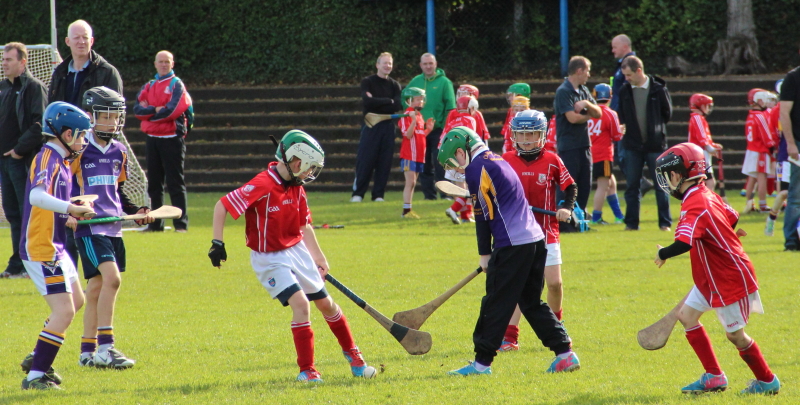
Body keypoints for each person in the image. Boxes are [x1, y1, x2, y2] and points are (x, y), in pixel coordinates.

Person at [209, 130, 374, 382]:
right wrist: (217, 242)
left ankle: (354, 357)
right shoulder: (262, 185)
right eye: (309, 168)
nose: (310, 174)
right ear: (296, 161)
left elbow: (303, 225)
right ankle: (307, 370)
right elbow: (222, 205)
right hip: (269, 257)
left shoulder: (297, 187)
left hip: (297, 251)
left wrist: (319, 258)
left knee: (327, 304)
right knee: (301, 304)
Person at [438, 126, 578, 376]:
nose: (459, 170)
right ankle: (565, 354)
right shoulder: (497, 159)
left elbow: (481, 217)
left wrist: (484, 254)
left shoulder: (476, 168)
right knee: (531, 302)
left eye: (455, 163)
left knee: (495, 303)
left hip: (513, 245)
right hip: (536, 240)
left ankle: (481, 364)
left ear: (461, 151)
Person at [653, 142, 780, 395]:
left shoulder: (695, 203)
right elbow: (732, 216)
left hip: (728, 278)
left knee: (736, 337)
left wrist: (662, 253)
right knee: (687, 317)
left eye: (669, 176)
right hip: (711, 276)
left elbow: (683, 242)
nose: (668, 181)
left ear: (679, 174)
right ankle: (714, 377)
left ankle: (767, 380)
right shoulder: (706, 194)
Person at [72, 87, 153, 369]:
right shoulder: (79, 151)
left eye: (116, 116)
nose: (113, 122)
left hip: (113, 228)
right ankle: (107, 348)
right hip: (91, 228)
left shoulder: (119, 151)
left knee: (95, 287)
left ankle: (87, 352)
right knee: (112, 280)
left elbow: (117, 193)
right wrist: (70, 213)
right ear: (92, 117)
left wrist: (137, 212)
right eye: (106, 116)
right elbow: (65, 190)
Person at [18, 102, 94, 390]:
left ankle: (39, 355)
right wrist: (69, 208)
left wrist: (73, 208)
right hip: (42, 248)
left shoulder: (61, 160)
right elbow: (37, 197)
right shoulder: (47, 157)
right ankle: (36, 375)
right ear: (65, 133)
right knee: (64, 311)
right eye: (81, 135)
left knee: (76, 301)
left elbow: (53, 203)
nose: (84, 141)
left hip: (56, 245)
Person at [499, 110, 577, 352]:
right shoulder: (505, 160)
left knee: (554, 283)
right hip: (517, 233)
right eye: (521, 135)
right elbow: (493, 187)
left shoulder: (553, 159)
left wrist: (566, 207)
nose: (526, 139)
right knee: (520, 285)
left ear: (542, 135)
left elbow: (570, 186)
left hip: (546, 231)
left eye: (531, 134)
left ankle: (556, 326)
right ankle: (510, 337)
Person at [48, 19, 123, 267]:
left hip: (90, 150)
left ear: (92, 40)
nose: (81, 41)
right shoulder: (60, 73)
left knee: (88, 211)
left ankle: (93, 270)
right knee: (64, 214)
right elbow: (52, 111)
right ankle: (67, 272)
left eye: (86, 37)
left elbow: (114, 113)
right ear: (67, 42)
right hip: (64, 150)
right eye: (76, 37)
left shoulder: (107, 72)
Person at [0, 42, 47, 279]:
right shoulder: (2, 88)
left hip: (22, 160)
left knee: (28, 212)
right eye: (3, 59)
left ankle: (31, 262)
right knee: (12, 213)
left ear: (23, 62)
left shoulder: (34, 88)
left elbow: (41, 124)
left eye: (9, 59)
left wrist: (19, 150)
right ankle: (17, 262)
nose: (4, 63)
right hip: (4, 163)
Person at [133, 50, 191, 232]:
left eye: (167, 61)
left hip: (172, 139)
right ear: (155, 63)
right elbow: (137, 110)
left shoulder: (176, 85)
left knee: (175, 182)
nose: (164, 64)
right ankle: (156, 224)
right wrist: (155, 110)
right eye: (161, 61)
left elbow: (172, 111)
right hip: (153, 140)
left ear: (172, 64)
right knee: (154, 184)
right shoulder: (149, 86)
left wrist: (149, 115)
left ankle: (180, 224)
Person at [616, 55, 673, 231]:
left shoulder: (658, 89)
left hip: (655, 145)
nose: (626, 79)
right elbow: (621, 115)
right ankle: (631, 224)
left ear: (639, 71)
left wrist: (655, 130)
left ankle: (665, 223)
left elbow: (667, 114)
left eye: (628, 75)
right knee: (632, 186)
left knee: (661, 186)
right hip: (632, 146)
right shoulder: (625, 90)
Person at [351, 52, 402, 203]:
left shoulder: (395, 85)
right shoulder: (368, 81)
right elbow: (367, 102)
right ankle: (358, 193)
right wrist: (389, 101)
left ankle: (378, 195)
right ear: (377, 65)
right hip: (371, 125)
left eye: (390, 64)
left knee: (384, 161)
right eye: (385, 63)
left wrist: (380, 101)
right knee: (365, 160)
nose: (387, 66)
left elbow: (398, 105)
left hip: (387, 126)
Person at [554, 56, 602, 216]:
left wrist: (587, 105)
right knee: (568, 185)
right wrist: (590, 115)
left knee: (585, 184)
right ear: (579, 71)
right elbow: (572, 118)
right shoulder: (563, 92)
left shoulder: (583, 90)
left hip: (584, 145)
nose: (589, 74)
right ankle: (564, 219)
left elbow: (599, 113)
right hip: (569, 146)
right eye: (587, 70)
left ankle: (580, 219)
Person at [404, 53, 456, 200]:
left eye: (430, 63)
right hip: (420, 130)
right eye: (425, 64)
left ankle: (445, 194)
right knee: (423, 162)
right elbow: (405, 101)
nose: (428, 66)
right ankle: (429, 195)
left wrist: (447, 128)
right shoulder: (415, 81)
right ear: (420, 65)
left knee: (440, 161)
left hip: (439, 128)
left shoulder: (445, 82)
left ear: (436, 64)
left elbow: (450, 108)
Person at [588, 83, 625, 225]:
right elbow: (616, 136)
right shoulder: (610, 113)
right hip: (603, 154)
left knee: (612, 184)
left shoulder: (589, 112)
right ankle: (596, 217)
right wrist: (621, 130)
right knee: (603, 186)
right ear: (609, 96)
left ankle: (618, 216)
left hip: (591, 153)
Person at [397, 87, 433, 219]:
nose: (421, 102)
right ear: (409, 100)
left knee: (413, 182)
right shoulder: (406, 116)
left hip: (418, 155)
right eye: (418, 99)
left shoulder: (419, 116)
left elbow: (420, 135)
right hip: (409, 154)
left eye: (422, 99)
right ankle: (406, 211)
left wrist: (428, 129)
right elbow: (408, 134)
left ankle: (408, 209)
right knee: (410, 182)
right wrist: (412, 120)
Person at [442, 96, 479, 224]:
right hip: (461, 157)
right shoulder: (470, 119)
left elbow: (443, 139)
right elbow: (469, 140)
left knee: (461, 187)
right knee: (468, 188)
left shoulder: (453, 121)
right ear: (471, 108)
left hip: (448, 156)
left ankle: (465, 216)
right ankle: (453, 209)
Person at [741, 89, 776, 214]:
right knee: (762, 178)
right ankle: (763, 205)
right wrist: (772, 147)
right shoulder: (760, 116)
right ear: (759, 100)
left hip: (751, 149)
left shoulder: (750, 115)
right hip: (760, 150)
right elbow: (765, 135)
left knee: (752, 178)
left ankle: (749, 204)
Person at [779, 52, 800, 251]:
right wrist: (791, 144)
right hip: (799, 143)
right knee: (795, 194)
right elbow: (784, 113)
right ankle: (792, 240)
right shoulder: (793, 78)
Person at [766, 80, 788, 237]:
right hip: (786, 154)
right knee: (784, 192)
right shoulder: (778, 111)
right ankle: (771, 219)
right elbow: (775, 133)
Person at [501, 83, 531, 153]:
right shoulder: (511, 111)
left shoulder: (529, 115)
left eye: (512, 95)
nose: (510, 98)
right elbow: (507, 130)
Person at [610, 34, 635, 113]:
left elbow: (626, 93)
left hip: (622, 114)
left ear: (624, 47)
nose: (612, 50)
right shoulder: (622, 64)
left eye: (615, 47)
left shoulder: (631, 64)